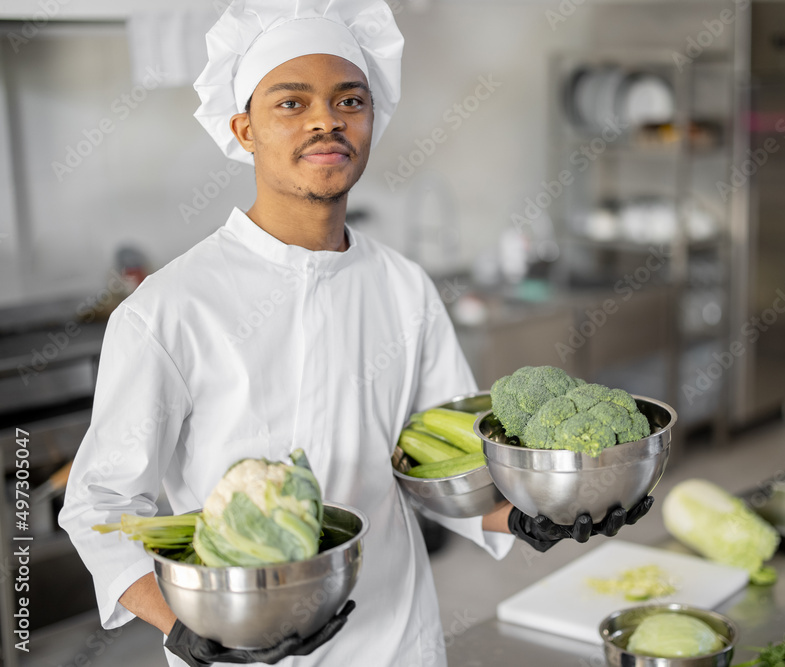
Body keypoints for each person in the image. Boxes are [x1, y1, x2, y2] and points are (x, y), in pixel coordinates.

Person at [58, 1, 652, 665]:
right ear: (242, 128)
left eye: (350, 100)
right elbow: (100, 505)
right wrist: (184, 628)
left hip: (397, 640)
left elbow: (443, 474)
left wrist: (529, 512)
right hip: (242, 645)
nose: (326, 121)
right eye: (291, 102)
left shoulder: (403, 288)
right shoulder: (168, 308)